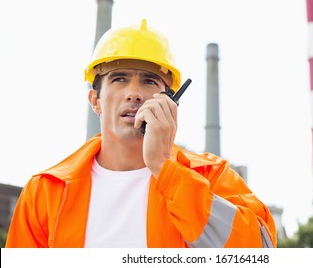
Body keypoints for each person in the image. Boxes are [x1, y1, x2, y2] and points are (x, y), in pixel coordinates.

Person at [5, 19, 276, 248]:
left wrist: (164, 167)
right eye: (119, 78)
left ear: (171, 100)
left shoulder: (212, 177)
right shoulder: (46, 192)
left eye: (149, 81)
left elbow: (261, 252)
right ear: (95, 100)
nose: (134, 93)